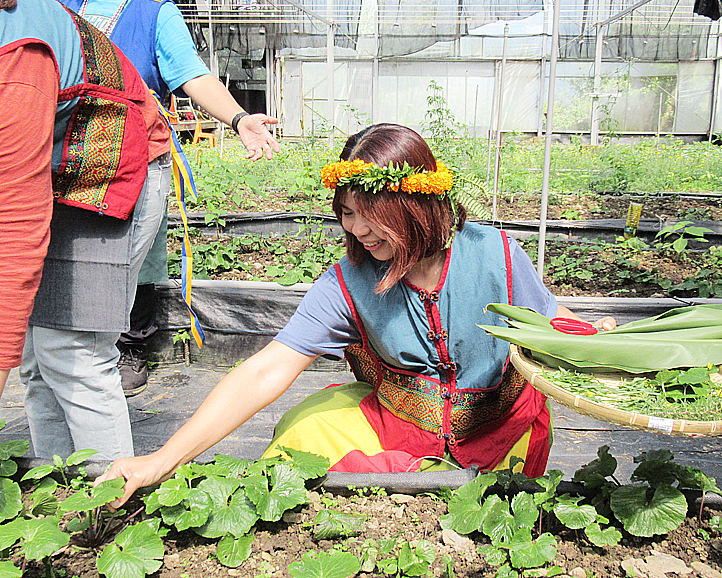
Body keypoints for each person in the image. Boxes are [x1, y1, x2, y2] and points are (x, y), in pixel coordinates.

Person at [97, 123, 616, 506]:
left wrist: (598, 339)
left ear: (416, 206)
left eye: (373, 215)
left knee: (495, 515)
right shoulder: (346, 281)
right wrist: (163, 458)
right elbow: (264, 370)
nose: (359, 229)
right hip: (400, 426)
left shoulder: (496, 254)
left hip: (500, 430)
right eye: (347, 212)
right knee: (300, 439)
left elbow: (548, 317)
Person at [58, 0, 281, 395]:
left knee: (135, 260)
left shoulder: (155, 11)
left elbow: (192, 75)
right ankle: (78, 350)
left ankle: (131, 346)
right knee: (77, 252)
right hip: (74, 158)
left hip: (132, 157)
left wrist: (238, 119)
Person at [0, 0, 173, 457]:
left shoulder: (16, 53)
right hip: (55, 167)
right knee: (37, 358)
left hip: (110, 170)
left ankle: (106, 506)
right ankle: (58, 491)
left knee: (72, 352)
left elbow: (16, 221)